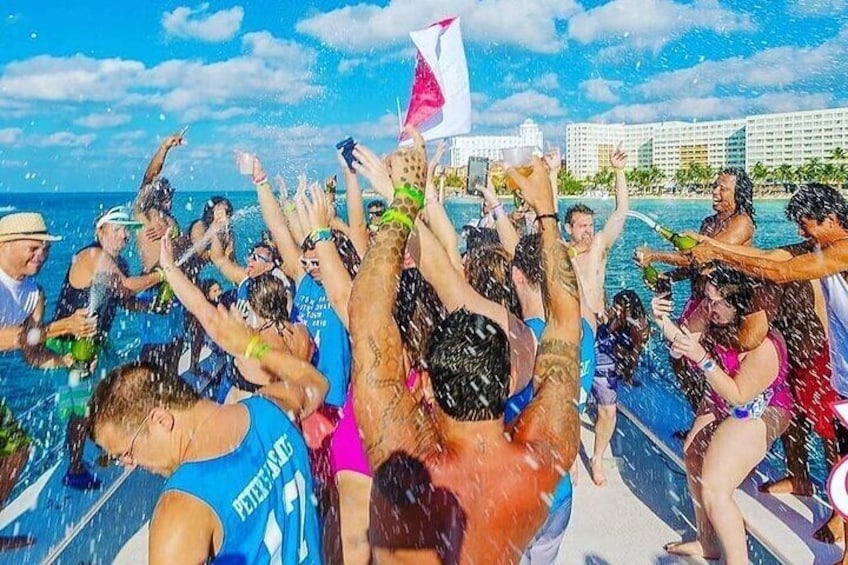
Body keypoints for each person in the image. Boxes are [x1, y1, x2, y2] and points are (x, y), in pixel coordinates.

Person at [349, 129, 581, 563]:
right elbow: (567, 324)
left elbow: (366, 316)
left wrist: (404, 201)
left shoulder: (412, 474)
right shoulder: (543, 461)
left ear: (431, 388)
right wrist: (547, 212)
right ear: (505, 380)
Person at [689, 183, 848, 562]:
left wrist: (718, 249)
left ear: (829, 219)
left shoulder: (842, 249)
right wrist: (717, 250)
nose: (801, 233)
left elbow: (782, 271)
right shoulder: (821, 246)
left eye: (806, 224)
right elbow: (769, 256)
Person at [89, 349, 325, 563]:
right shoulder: (269, 408)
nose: (129, 465)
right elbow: (317, 383)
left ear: (161, 420)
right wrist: (250, 342)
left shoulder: (181, 509)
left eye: (127, 453)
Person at [652, 266, 791, 565]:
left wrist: (701, 358)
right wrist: (660, 317)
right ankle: (707, 542)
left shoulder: (764, 344)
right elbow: (683, 340)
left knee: (715, 486)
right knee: (692, 456)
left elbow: (738, 395)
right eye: (708, 299)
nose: (710, 307)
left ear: (740, 304)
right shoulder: (710, 309)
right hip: (721, 396)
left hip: (759, 408)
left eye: (719, 302)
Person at [0, 212, 96, 549]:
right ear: (4, 245)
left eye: (45, 249)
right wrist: (62, 327)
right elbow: (6, 338)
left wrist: (68, 361)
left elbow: (33, 351)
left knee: (17, 452)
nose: (40, 255)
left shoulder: (33, 293)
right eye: (33, 248)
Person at [48, 205, 160, 490]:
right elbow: (127, 287)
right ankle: (74, 468)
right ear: (100, 231)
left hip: (97, 342)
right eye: (118, 229)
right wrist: (164, 274)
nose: (124, 236)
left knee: (111, 393)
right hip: (72, 342)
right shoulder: (93, 255)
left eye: (126, 231)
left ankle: (105, 444)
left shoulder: (118, 263)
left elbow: (125, 299)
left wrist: (152, 306)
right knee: (81, 407)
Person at [635, 167, 756, 414]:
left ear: (739, 194)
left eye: (723, 188)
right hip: (699, 301)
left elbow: (701, 256)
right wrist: (664, 277)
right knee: (678, 355)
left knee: (715, 362)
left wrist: (655, 255)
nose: (715, 192)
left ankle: (718, 417)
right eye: (715, 186)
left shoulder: (742, 223)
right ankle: (698, 411)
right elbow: (695, 267)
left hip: (723, 307)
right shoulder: (709, 223)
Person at [561, 145, 629, 486]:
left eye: (590, 225)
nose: (588, 231)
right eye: (581, 226)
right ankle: (571, 456)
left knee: (607, 407)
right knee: (569, 404)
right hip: (572, 333)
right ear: (569, 229)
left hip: (600, 334)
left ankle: (598, 457)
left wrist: (618, 172)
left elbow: (622, 211)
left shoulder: (600, 247)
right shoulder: (563, 255)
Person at [589, 290, 649, 486]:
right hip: (590, 358)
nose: (614, 310)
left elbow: (635, 354)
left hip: (606, 370)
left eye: (619, 308)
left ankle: (597, 459)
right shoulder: (611, 316)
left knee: (608, 412)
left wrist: (628, 375)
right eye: (614, 306)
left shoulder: (638, 327)